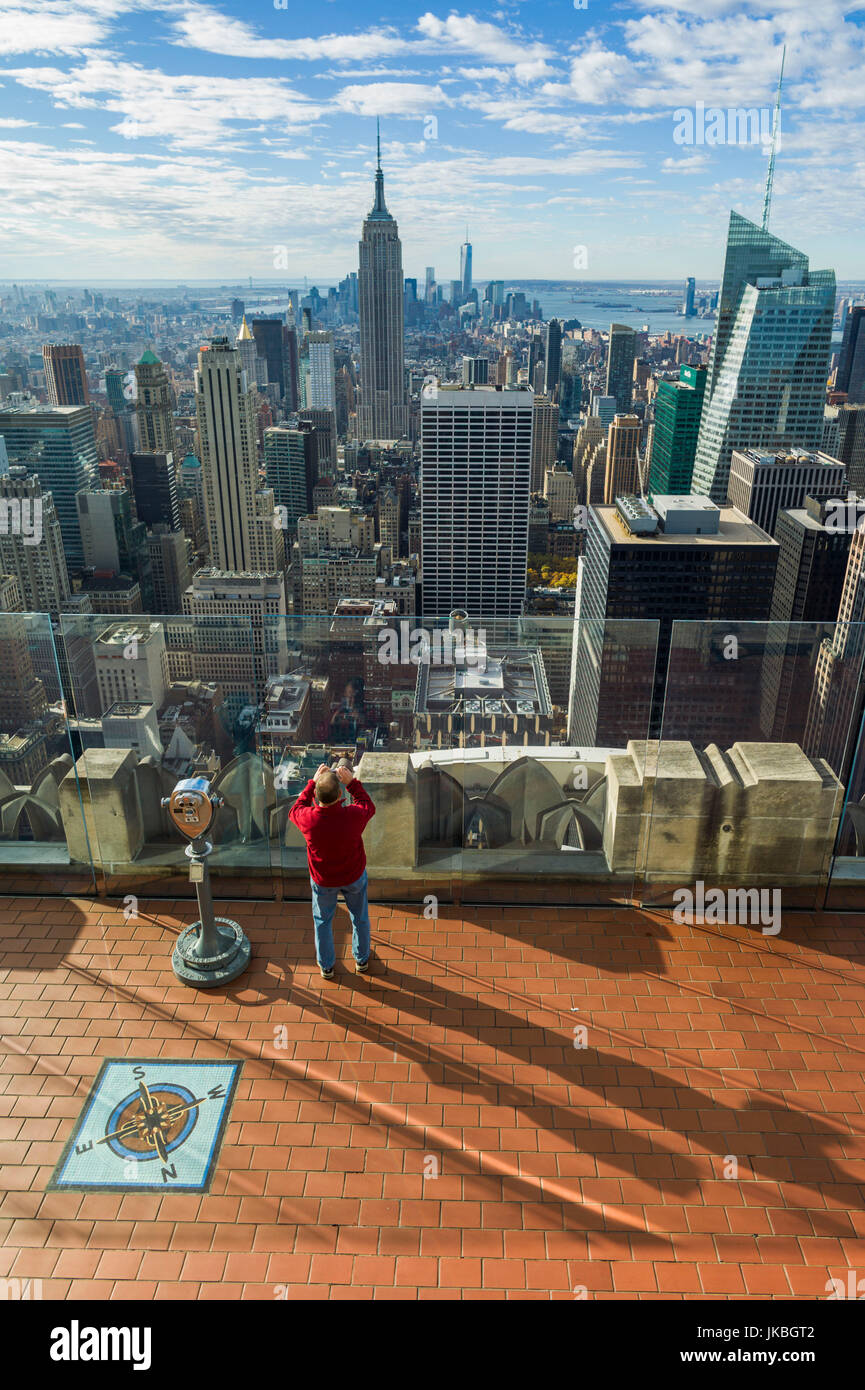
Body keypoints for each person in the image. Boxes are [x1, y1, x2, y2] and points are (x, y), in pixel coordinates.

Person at [289, 759, 375, 980]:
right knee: (360, 918)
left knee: (322, 922)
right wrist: (352, 783)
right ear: (340, 796)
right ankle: (361, 959)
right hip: (353, 875)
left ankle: (327, 966)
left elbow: (295, 809)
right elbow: (368, 806)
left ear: (317, 797)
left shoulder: (308, 819)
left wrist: (312, 783)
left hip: (323, 880)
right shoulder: (352, 816)